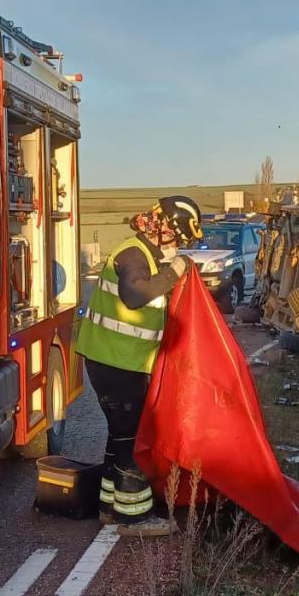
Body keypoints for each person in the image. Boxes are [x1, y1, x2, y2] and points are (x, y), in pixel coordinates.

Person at [74, 195, 202, 536]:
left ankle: (109, 507)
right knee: (132, 438)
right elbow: (134, 294)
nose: (177, 247)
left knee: (120, 435)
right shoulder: (133, 255)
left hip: (115, 360)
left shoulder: (147, 255)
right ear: (163, 229)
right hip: (117, 364)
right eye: (176, 239)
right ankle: (135, 517)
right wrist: (175, 271)